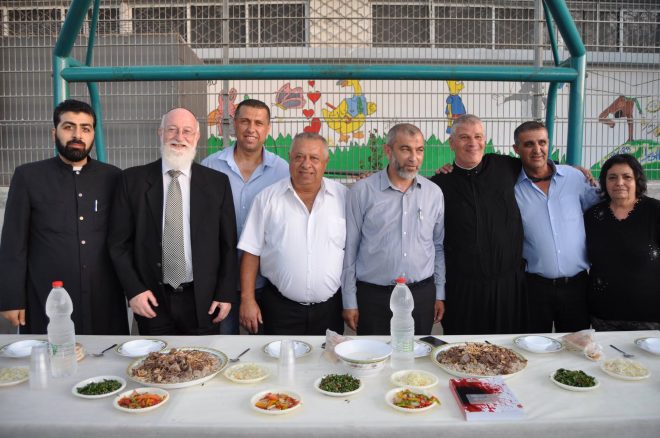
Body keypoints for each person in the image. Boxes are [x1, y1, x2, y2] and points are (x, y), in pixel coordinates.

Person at [0, 99, 129, 334]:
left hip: (104, 297)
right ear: (54, 132)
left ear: (93, 134)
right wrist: (11, 298)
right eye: (69, 127)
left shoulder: (113, 178)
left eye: (85, 128)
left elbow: (124, 239)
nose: (77, 135)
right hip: (45, 296)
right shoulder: (28, 177)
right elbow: (13, 243)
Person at [108, 107, 238, 335]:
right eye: (172, 130)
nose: (179, 137)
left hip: (204, 302)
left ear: (197, 137)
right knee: (155, 359)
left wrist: (225, 293)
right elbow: (118, 244)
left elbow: (228, 245)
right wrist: (134, 290)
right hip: (151, 300)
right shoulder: (132, 181)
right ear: (160, 133)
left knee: (202, 358)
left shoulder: (217, 184)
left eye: (187, 131)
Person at [238, 132, 346, 335]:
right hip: (280, 309)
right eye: (299, 157)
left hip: (331, 309)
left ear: (325, 162)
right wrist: (247, 299)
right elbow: (251, 252)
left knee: (328, 356)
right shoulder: (267, 199)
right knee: (278, 355)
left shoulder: (344, 198)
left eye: (314, 158)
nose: (306, 164)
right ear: (290, 158)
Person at [342, 123, 445, 335]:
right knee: (373, 353)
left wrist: (439, 293)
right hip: (374, 298)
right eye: (405, 149)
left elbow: (437, 246)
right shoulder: (362, 191)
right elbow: (350, 248)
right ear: (388, 151)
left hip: (421, 296)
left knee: (417, 353)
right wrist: (349, 300)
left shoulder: (434, 193)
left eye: (419, 150)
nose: (414, 158)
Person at [431, 114, 527, 335]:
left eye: (478, 136)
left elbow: (541, 166)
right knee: (462, 350)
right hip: (462, 290)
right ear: (451, 143)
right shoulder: (439, 185)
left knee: (506, 349)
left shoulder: (506, 166)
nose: (472, 143)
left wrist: (577, 171)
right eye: (464, 137)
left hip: (507, 288)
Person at [202, 99, 289, 334]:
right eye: (245, 121)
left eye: (259, 123)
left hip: (265, 281)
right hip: (219, 282)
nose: (251, 129)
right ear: (234, 124)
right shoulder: (210, 166)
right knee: (222, 345)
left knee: (264, 347)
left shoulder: (282, 171)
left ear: (268, 129)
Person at [513, 121, 600, 333]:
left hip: (577, 287)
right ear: (516, 149)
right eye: (529, 144)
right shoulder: (511, 186)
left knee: (576, 345)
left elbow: (600, 211)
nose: (537, 149)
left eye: (542, 142)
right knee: (533, 345)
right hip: (534, 288)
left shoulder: (574, 177)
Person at [584, 153, 660, 331]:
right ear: (604, 182)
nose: (619, 183)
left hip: (649, 317)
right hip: (603, 316)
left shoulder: (655, 212)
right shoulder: (593, 215)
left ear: (637, 180)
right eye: (612, 177)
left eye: (627, 177)